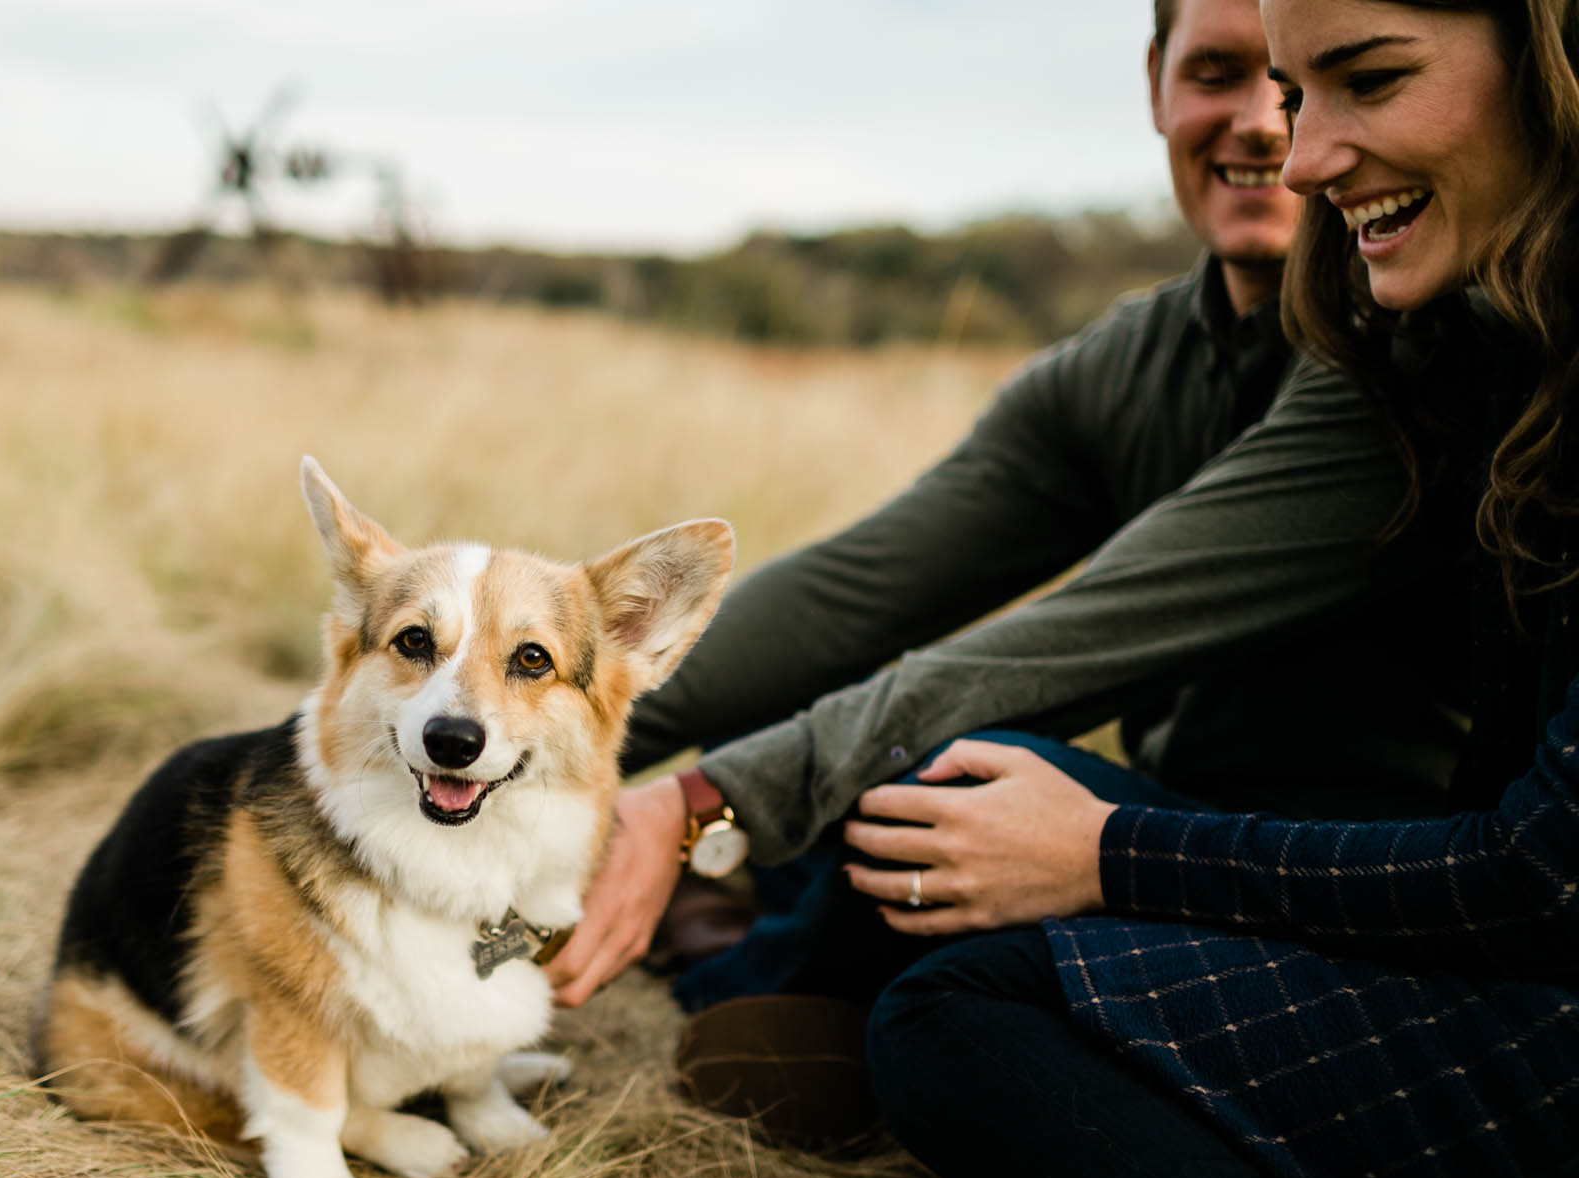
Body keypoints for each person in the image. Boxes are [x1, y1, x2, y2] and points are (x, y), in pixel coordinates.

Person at [853, 0, 1579, 1178]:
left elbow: (1543, 877)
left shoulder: (1431, 363)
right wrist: (694, 789)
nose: (1300, 154)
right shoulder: (1486, 351)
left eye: (1366, 79)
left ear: (1555, 63)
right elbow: (874, 587)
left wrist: (1118, 858)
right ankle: (749, 966)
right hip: (1464, 928)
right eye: (1298, 95)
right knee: (955, 781)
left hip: (1507, 975)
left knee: (960, 1013)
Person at [545, 0, 1471, 1011]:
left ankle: (735, 992)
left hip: (1355, 878)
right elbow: (856, 591)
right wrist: (546, 712)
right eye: (1215, 72)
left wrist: (691, 804)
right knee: (861, 763)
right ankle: (745, 906)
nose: (1259, 121)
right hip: (1150, 826)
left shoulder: (1407, 357)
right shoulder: (1124, 361)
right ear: (1153, 80)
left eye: (1302, 87)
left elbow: (1071, 642)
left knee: (955, 777)